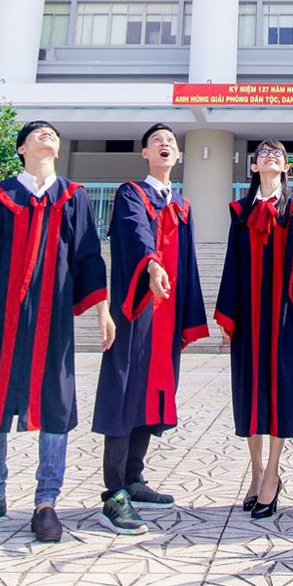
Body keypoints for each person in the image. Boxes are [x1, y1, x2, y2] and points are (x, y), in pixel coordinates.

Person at [0, 120, 111, 544]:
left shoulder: (72, 197)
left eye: (53, 134)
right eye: (37, 133)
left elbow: (88, 256)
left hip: (53, 320)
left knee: (56, 403)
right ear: (21, 148)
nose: (47, 136)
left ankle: (46, 501)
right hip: (3, 314)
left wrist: (101, 309)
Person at [91, 123, 210, 535]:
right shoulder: (131, 193)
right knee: (124, 392)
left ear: (177, 158)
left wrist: (188, 315)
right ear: (145, 153)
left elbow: (190, 259)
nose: (165, 145)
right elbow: (136, 232)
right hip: (137, 308)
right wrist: (153, 264)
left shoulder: (181, 204)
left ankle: (135, 478)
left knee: (152, 393)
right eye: (157, 141)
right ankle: (114, 492)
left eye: (171, 143)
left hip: (166, 314)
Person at [213, 138, 293, 520]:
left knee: (281, 393)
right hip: (251, 317)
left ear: (286, 166)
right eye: (263, 155)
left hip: (285, 316)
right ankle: (255, 471)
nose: (271, 158)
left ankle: (273, 473)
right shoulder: (240, 212)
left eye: (278, 154)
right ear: (253, 167)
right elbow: (231, 264)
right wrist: (228, 315)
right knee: (251, 393)